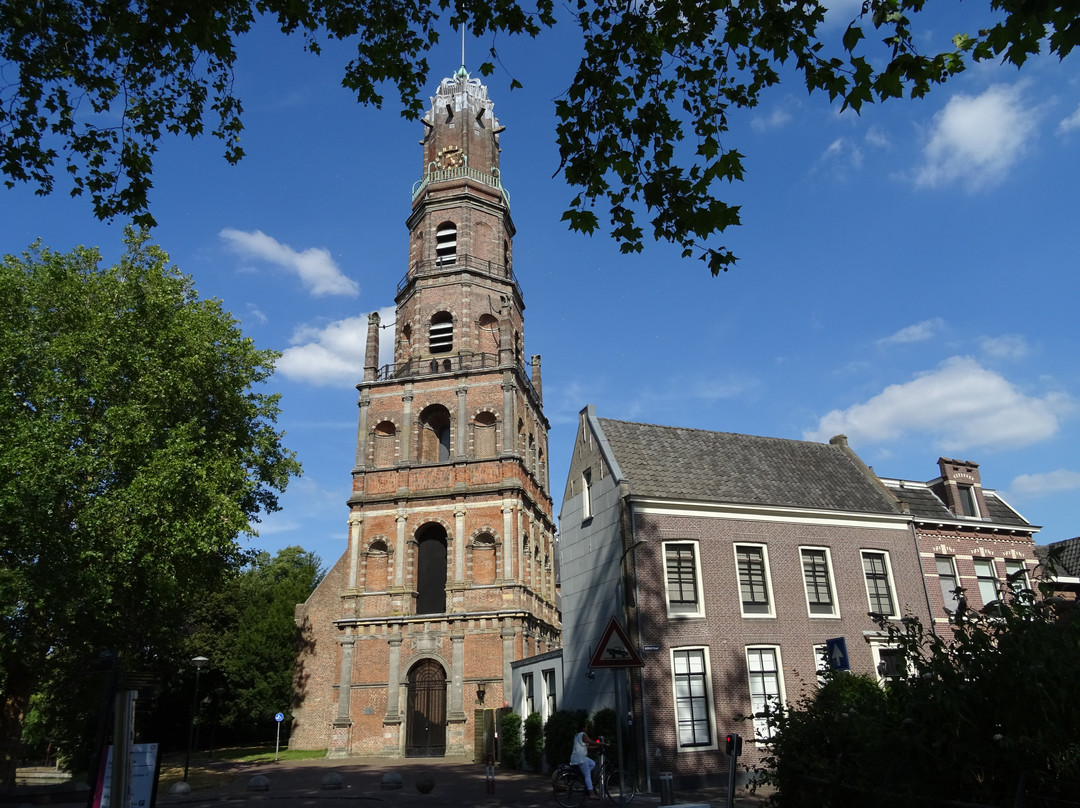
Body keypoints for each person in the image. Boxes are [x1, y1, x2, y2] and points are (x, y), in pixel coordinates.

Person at [570, 722, 599, 798]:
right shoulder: (583, 734)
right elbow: (590, 742)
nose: (587, 728)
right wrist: (601, 743)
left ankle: (586, 779)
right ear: (583, 728)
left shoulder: (577, 735)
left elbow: (587, 746)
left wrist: (596, 747)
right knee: (587, 774)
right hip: (580, 758)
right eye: (586, 727)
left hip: (578, 757)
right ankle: (591, 793)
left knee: (592, 764)